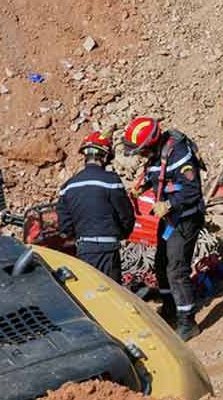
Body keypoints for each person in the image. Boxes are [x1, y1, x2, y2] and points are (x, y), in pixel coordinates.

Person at [123, 116, 206, 340]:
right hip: (169, 218)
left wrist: (169, 203)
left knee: (176, 269)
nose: (139, 154)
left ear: (150, 143)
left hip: (186, 218)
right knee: (161, 265)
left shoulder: (179, 155)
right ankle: (171, 307)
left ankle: (188, 322)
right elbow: (160, 179)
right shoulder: (157, 155)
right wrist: (143, 188)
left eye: (140, 149)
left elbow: (192, 191)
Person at [57, 131, 135, 283]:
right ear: (105, 156)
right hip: (108, 249)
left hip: (85, 249)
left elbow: (65, 226)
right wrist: (123, 234)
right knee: (112, 293)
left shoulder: (68, 186)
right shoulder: (111, 181)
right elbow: (126, 215)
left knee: (90, 292)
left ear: (85, 156)